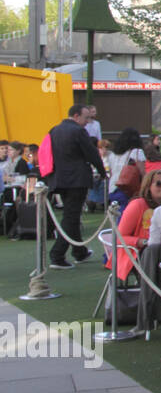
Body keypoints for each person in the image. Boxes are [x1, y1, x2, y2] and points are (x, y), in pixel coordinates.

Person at [48, 104, 107, 269]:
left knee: (70, 215)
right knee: (71, 217)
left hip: (60, 179)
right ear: (76, 116)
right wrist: (102, 172)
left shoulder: (54, 130)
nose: (88, 122)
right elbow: (92, 153)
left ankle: (79, 252)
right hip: (77, 179)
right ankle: (57, 255)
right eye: (85, 117)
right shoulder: (78, 131)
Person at [113, 167, 161, 279]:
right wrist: (142, 241)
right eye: (159, 183)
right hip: (139, 254)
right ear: (149, 186)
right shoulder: (137, 205)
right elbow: (119, 238)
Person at [104, 128, 147, 211]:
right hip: (128, 189)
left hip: (113, 188)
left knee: (118, 214)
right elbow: (143, 173)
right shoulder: (136, 152)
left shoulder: (113, 155)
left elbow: (111, 173)